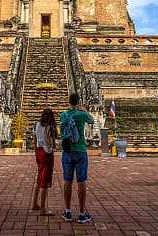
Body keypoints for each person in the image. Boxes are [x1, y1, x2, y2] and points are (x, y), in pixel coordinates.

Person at [59, 93, 94, 223]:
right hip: (80, 150)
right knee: (81, 181)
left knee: (67, 181)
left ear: (68, 101)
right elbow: (92, 120)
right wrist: (83, 109)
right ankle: (81, 213)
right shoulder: (82, 114)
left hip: (67, 151)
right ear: (78, 102)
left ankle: (67, 211)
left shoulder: (63, 114)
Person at [31, 108, 57, 215]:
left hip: (39, 152)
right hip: (47, 153)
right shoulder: (50, 127)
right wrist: (54, 144)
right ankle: (42, 209)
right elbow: (51, 143)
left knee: (39, 178)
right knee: (45, 181)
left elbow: (35, 139)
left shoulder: (37, 125)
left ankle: (34, 203)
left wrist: (36, 152)